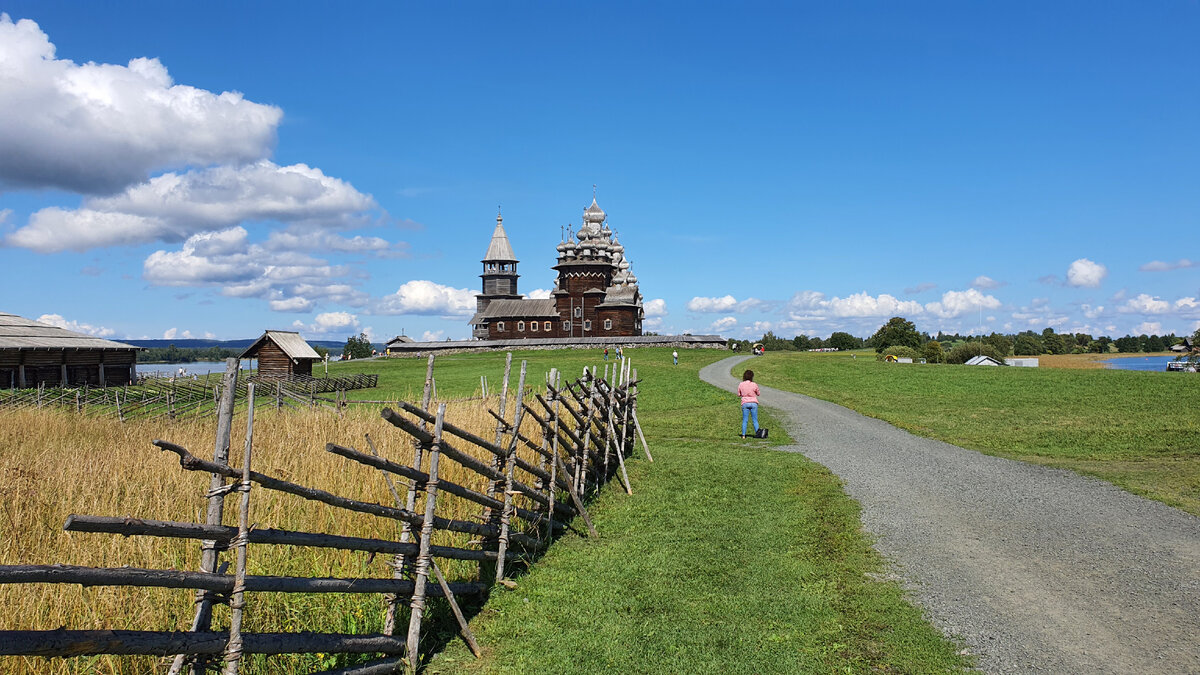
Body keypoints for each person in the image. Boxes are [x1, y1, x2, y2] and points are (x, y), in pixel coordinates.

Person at [737, 369, 760, 439]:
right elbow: (758, 393)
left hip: (745, 403)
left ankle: (743, 435)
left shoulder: (741, 384)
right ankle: (758, 434)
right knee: (755, 420)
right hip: (753, 403)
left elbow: (739, 394)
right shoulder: (754, 384)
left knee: (745, 420)